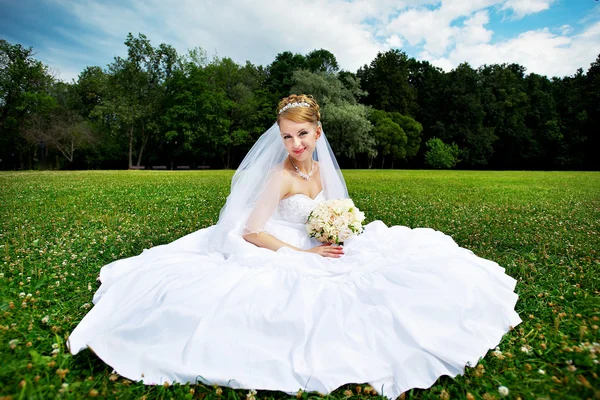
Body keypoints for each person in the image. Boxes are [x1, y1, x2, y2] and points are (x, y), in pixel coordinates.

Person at [68, 94, 522, 400]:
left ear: (318, 134)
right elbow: (250, 231)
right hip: (278, 244)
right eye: (287, 136)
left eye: (302, 135)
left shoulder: (321, 169)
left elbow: (331, 208)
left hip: (318, 241)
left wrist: (335, 229)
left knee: (409, 273)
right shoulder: (279, 175)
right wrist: (303, 254)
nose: (295, 144)